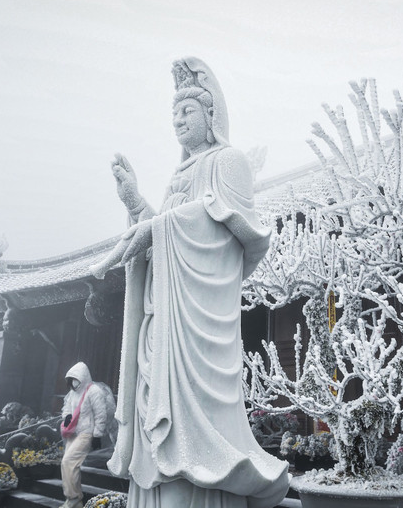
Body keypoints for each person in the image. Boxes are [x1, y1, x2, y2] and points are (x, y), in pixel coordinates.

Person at [93, 57, 289, 508]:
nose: (178, 121)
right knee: (153, 417)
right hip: (162, 320)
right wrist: (136, 203)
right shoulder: (178, 174)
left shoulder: (229, 161)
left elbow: (238, 230)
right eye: (174, 114)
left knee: (194, 425)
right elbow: (159, 231)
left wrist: (161, 227)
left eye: (188, 112)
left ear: (211, 115)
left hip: (199, 322)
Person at [60, 362, 108, 508]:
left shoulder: (94, 391)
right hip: (73, 433)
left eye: (75, 378)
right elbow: (66, 407)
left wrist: (97, 435)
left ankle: (74, 500)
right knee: (67, 465)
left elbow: (101, 414)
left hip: (86, 433)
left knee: (68, 462)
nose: (73, 382)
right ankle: (71, 500)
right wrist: (67, 416)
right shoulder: (73, 391)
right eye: (71, 379)